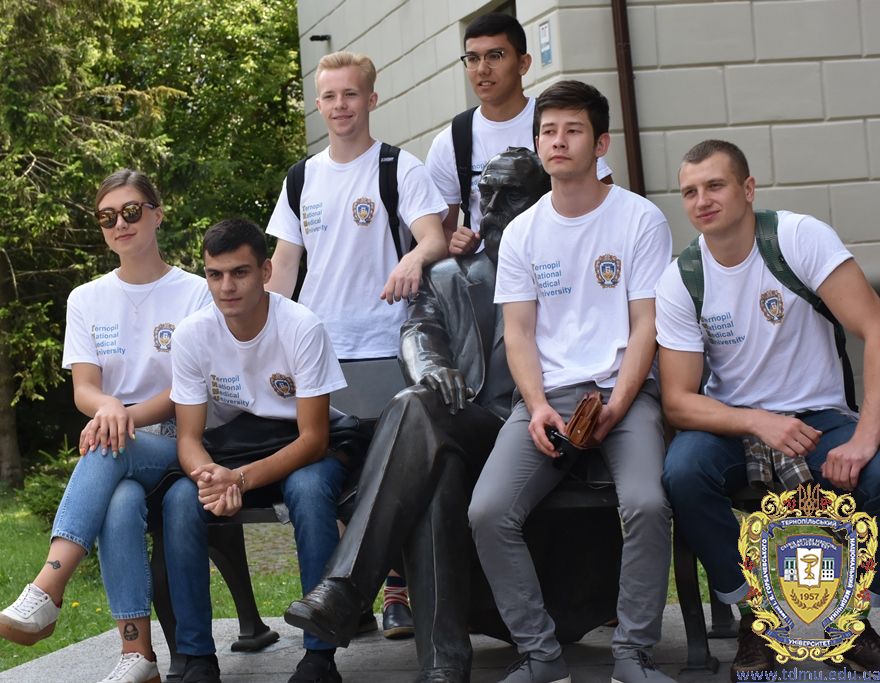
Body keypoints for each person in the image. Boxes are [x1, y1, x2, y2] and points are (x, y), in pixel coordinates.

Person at [284, 148, 547, 683]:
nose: (495, 207)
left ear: (541, 200)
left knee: (421, 433)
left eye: (512, 195)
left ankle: (349, 590)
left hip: (530, 427)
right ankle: (442, 665)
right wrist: (431, 367)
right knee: (432, 449)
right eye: (487, 195)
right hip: (467, 423)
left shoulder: (558, 270)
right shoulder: (451, 275)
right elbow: (418, 330)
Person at [468, 81, 675, 683]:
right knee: (488, 512)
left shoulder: (639, 218)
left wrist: (619, 404)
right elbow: (518, 334)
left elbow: (646, 325)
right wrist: (535, 407)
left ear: (600, 143)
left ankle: (632, 655)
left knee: (647, 504)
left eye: (572, 130)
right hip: (547, 400)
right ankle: (540, 654)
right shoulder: (524, 232)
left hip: (624, 393)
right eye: (548, 131)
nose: (557, 141)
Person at [657, 139, 880, 679]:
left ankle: (847, 618)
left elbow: (874, 326)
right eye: (690, 191)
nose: (702, 201)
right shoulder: (682, 277)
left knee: (877, 473)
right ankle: (758, 617)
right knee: (684, 472)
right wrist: (758, 421)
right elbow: (678, 401)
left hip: (819, 417)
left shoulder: (797, 238)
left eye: (715, 185)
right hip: (734, 425)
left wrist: (864, 438)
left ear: (748, 188)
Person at [0, 169, 212, 683]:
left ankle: (48, 586)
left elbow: (189, 389)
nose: (120, 224)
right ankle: (138, 654)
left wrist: (120, 417)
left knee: (109, 447)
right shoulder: (86, 298)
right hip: (117, 439)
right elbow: (84, 389)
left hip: (179, 439)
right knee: (120, 501)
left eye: (131, 211)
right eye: (107, 217)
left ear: (157, 214)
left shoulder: (196, 294)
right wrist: (109, 407)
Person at [265, 50, 448, 635]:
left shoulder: (399, 168)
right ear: (318, 104)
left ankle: (396, 591)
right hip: (320, 352)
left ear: (371, 98)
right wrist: (264, 337)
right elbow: (284, 268)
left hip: (387, 346)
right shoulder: (301, 178)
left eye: (350, 94)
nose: (340, 105)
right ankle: (348, 601)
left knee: (390, 471)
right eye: (329, 96)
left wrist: (413, 259)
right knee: (334, 471)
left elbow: (434, 237)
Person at [170, 218, 353, 683]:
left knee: (309, 492)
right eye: (215, 275)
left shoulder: (301, 326)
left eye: (240, 272)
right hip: (232, 452)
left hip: (303, 450)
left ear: (266, 271)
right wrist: (210, 478)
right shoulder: (192, 333)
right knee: (179, 500)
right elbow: (188, 439)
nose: (226, 287)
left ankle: (320, 657)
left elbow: (314, 439)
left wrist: (240, 479)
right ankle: (196, 658)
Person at [425, 12, 611, 257]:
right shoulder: (452, 140)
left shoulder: (554, 123)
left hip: (560, 262)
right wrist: (456, 241)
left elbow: (604, 201)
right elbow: (439, 231)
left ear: (523, 63)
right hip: (489, 272)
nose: (482, 69)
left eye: (495, 56)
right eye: (472, 58)